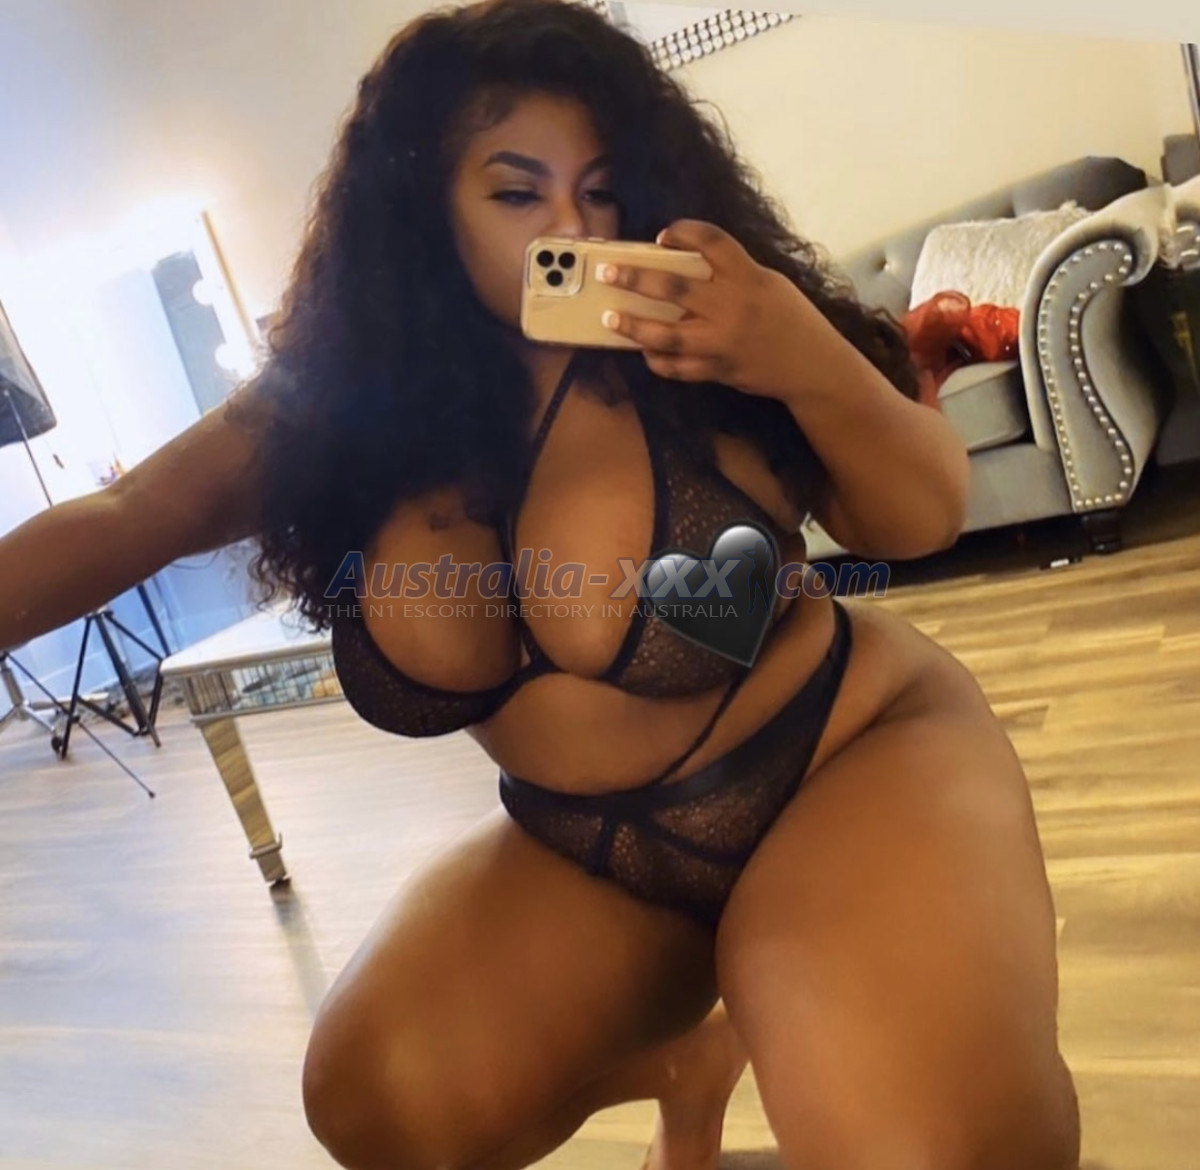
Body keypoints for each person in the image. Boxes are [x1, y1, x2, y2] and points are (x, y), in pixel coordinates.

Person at [0, 1, 1082, 1167]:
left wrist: (801, 357)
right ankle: (685, 1061)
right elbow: (129, 517)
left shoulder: (707, 331)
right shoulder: (342, 411)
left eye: (601, 191)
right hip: (596, 850)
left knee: (918, 1143)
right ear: (424, 209)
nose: (572, 230)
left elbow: (920, 516)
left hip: (842, 753)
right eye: (517, 194)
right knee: (378, 1097)